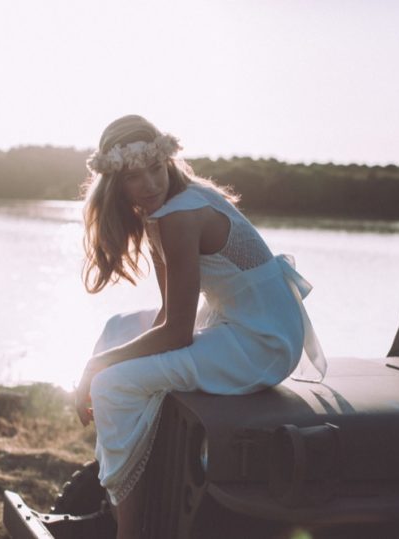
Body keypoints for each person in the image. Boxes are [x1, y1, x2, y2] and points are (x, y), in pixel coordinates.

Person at [74, 114, 326, 539]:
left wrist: (94, 368)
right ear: (116, 184)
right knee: (117, 328)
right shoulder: (162, 213)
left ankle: (128, 532)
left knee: (111, 384)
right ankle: (120, 493)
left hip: (260, 343)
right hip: (237, 321)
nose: (150, 184)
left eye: (156, 169)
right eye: (135, 177)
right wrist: (108, 357)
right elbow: (168, 315)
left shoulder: (180, 215)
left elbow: (176, 332)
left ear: (168, 162)